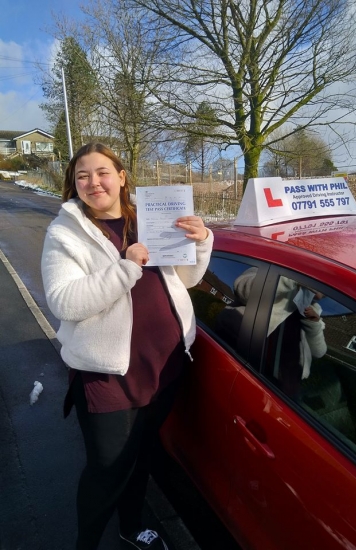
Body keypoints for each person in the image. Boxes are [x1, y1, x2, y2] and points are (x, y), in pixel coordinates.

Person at [41, 142, 213, 550]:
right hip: (109, 375)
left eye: (102, 172)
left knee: (140, 456)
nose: (92, 182)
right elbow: (65, 301)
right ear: (73, 184)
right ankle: (86, 543)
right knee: (106, 470)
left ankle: (132, 527)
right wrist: (126, 267)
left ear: (121, 177)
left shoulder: (150, 217)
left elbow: (184, 279)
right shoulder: (65, 232)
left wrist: (201, 239)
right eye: (82, 175)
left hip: (164, 365)